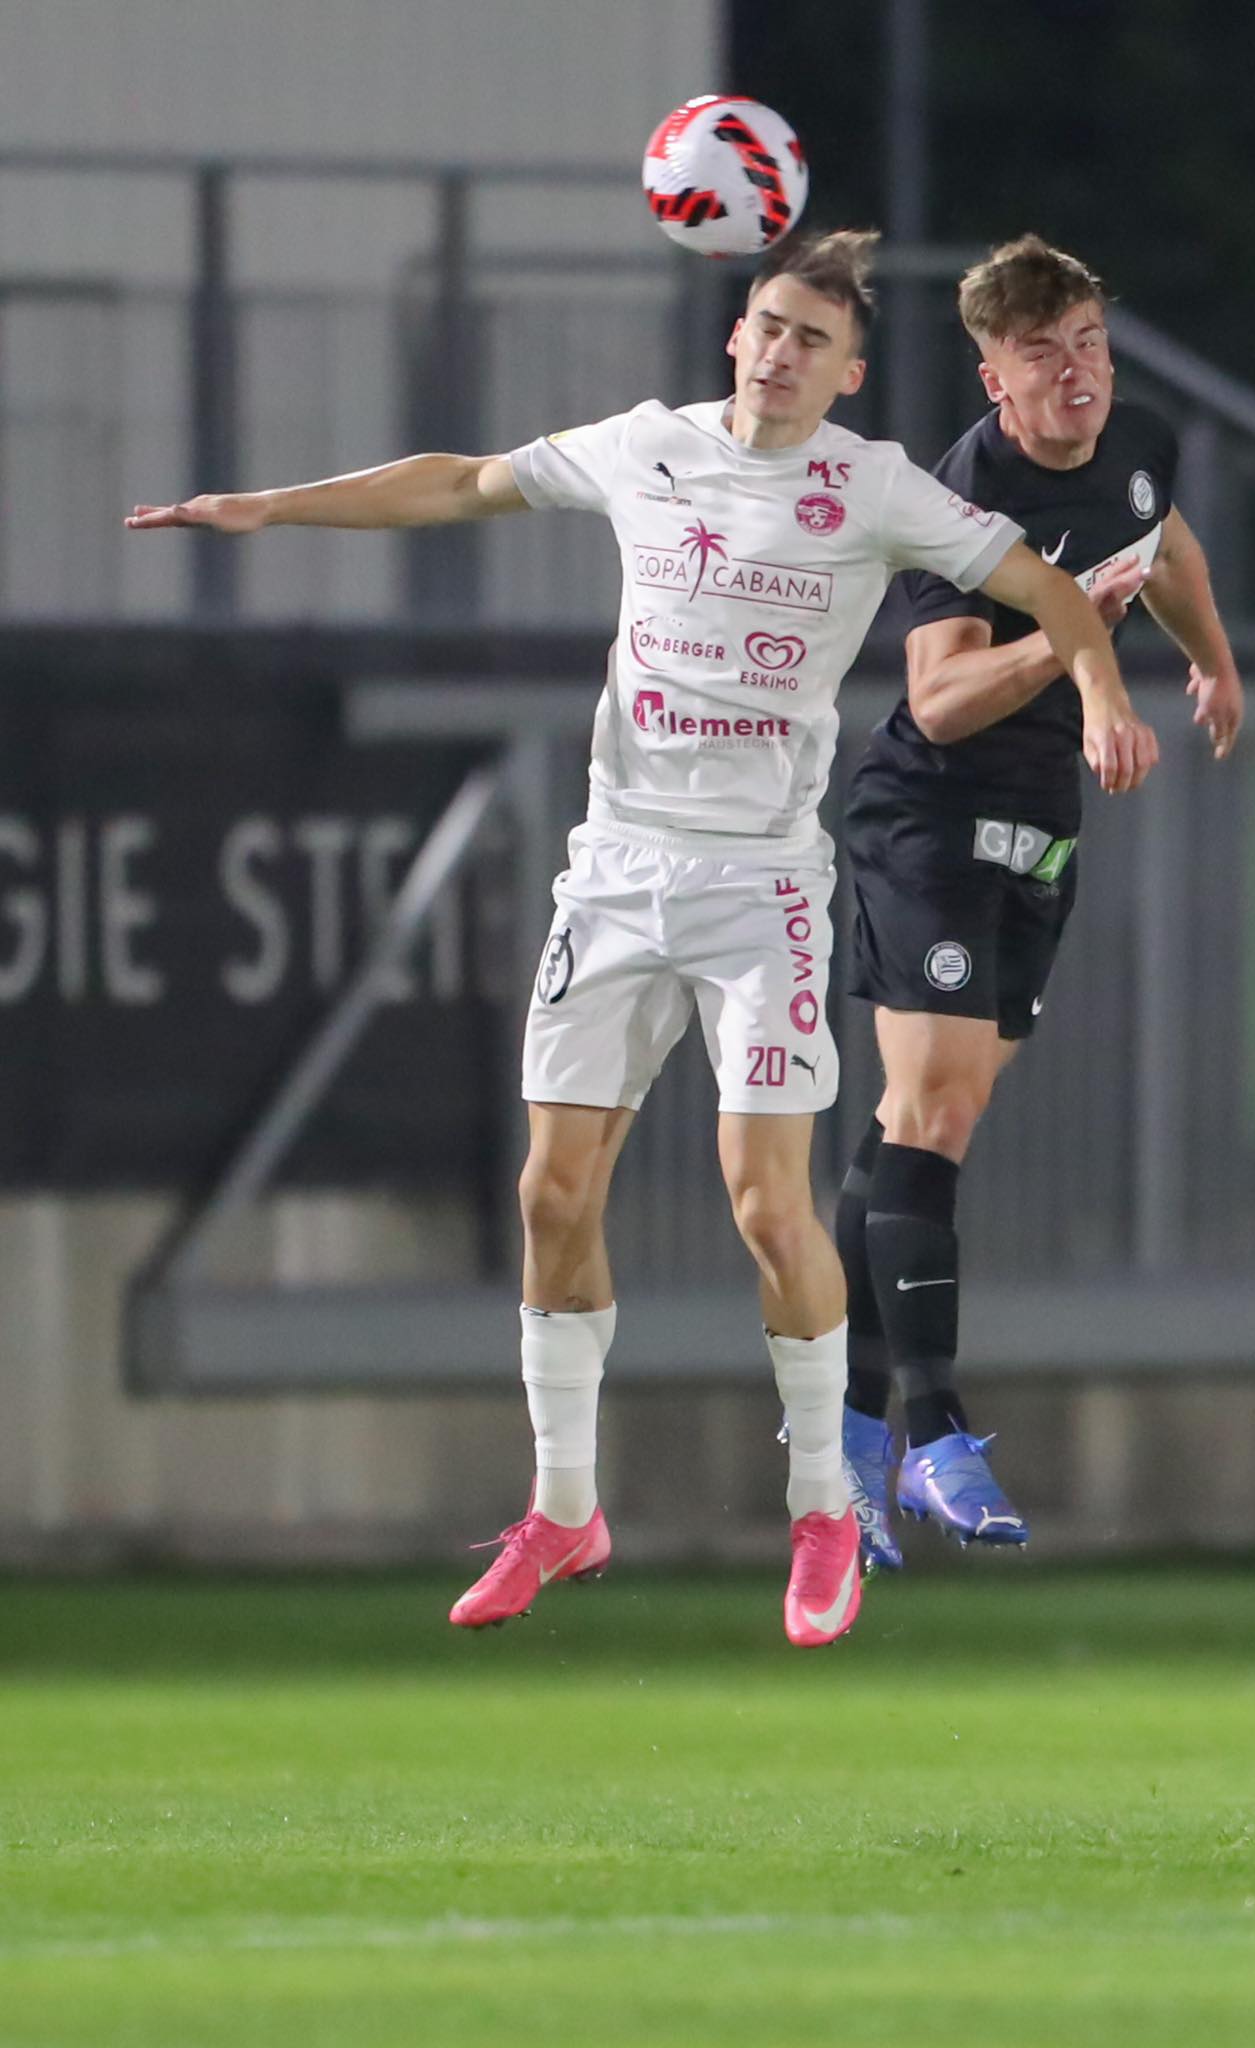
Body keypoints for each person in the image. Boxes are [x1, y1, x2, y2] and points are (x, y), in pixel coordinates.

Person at [128, 229, 1149, 1647]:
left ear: (848, 376)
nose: (781, 352)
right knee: (553, 1195)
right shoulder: (645, 446)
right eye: (767, 326)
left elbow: (1045, 586)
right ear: (736, 335)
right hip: (614, 871)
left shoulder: (872, 487)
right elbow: (460, 482)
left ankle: (821, 1509)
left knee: (767, 1207)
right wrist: (269, 509)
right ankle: (563, 1509)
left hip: (761, 887)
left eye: (812, 339)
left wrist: (1100, 691)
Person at [836, 234, 1243, 1570]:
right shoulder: (961, 501)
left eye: (1088, 344)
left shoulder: (1136, 440)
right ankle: (932, 1430)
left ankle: (841, 1434)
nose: (1076, 374)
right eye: (1041, 355)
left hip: (1037, 829)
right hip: (931, 816)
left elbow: (1162, 541)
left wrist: (1211, 661)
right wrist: (1072, 642)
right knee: (933, 1110)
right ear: (992, 377)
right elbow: (940, 698)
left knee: (919, 1123)